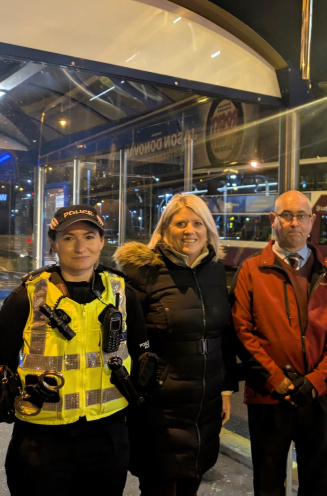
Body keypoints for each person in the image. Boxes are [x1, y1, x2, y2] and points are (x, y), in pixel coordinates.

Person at [0, 205, 152, 496]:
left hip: (108, 433)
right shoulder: (27, 296)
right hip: (43, 437)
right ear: (53, 244)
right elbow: (2, 366)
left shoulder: (123, 292)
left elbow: (143, 355)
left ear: (101, 241)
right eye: (68, 238)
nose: (80, 247)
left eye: (89, 236)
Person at [113, 193, 238, 496]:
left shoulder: (218, 272)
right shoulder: (142, 273)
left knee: (192, 481)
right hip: (159, 406)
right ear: (165, 228)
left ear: (209, 229)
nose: (189, 230)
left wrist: (225, 389)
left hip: (204, 404)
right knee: (160, 486)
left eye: (197, 223)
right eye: (180, 223)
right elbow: (122, 340)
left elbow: (226, 337)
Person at [231, 190, 327, 496]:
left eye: (301, 216)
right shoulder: (251, 269)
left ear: (311, 222)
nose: (294, 223)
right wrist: (276, 379)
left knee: (319, 483)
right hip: (269, 397)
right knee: (268, 484)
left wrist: (315, 380)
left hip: (319, 396)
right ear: (274, 220)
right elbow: (242, 332)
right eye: (286, 215)